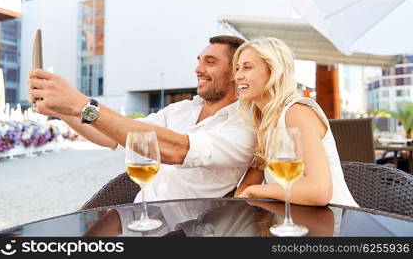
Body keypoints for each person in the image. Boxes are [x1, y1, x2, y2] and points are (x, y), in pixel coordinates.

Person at [28, 35, 256, 202]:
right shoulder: (181, 110)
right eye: (199, 60)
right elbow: (111, 136)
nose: (198, 68)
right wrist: (63, 110)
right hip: (139, 217)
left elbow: (176, 150)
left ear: (236, 73)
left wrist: (81, 103)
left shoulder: (244, 127)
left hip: (186, 231)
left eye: (210, 61)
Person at [232, 37, 358, 207]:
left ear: (273, 71)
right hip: (296, 223)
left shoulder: (297, 113)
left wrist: (257, 191)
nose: (238, 76)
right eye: (238, 68)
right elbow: (245, 187)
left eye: (247, 67)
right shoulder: (265, 120)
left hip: (335, 223)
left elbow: (319, 192)